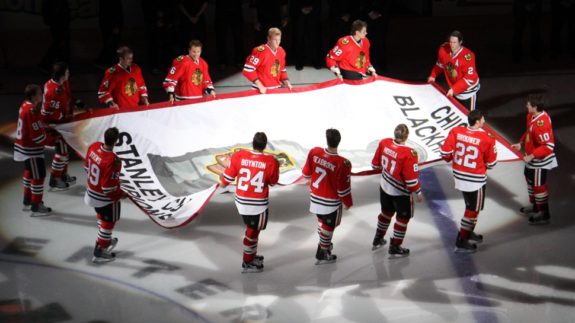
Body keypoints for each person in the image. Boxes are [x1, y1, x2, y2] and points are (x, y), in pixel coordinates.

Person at [221, 132, 280, 273]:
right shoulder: (270, 161)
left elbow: (227, 178)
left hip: (240, 201)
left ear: (252, 143)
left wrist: (222, 184)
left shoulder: (239, 156)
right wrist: (275, 166)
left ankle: (251, 256)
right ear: (265, 146)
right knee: (252, 232)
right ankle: (248, 261)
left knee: (252, 230)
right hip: (257, 205)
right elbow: (273, 182)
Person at [440, 110, 497, 253]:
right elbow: (491, 163)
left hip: (459, 176)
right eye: (483, 118)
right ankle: (462, 240)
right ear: (477, 121)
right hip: (475, 179)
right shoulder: (487, 138)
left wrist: (451, 159)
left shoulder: (456, 131)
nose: (484, 120)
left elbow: (445, 153)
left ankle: (468, 232)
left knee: (470, 205)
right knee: (473, 210)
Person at [370, 124, 423, 257]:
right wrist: (418, 192)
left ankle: (377, 238)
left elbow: (375, 164)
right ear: (407, 136)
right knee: (402, 219)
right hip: (400, 193)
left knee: (386, 213)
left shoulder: (384, 143)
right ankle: (395, 246)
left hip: (384, 187)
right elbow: (411, 181)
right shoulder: (410, 153)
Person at [302, 128, 352, 265]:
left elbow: (306, 174)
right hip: (330, 203)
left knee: (322, 222)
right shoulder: (343, 163)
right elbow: (343, 189)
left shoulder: (315, 152)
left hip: (315, 197)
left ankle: (324, 246)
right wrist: (348, 202)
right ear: (339, 142)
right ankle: (323, 251)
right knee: (329, 226)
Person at [511, 94, 558, 225]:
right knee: (529, 179)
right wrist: (520, 143)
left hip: (539, 161)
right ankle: (536, 206)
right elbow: (528, 132)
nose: (526, 105)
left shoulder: (541, 124)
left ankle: (544, 213)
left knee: (539, 186)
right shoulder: (531, 116)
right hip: (531, 158)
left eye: (528, 104)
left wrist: (532, 156)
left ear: (535, 107)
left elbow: (548, 146)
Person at [84, 127, 124, 263]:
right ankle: (100, 249)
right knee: (109, 223)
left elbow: (86, 168)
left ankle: (104, 239)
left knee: (102, 217)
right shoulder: (113, 160)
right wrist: (121, 194)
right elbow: (108, 188)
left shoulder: (93, 147)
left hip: (90, 193)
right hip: (104, 199)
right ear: (116, 141)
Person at [41, 62, 81, 190]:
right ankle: (55, 179)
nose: (69, 74)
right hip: (56, 125)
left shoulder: (62, 83)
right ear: (62, 75)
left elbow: (68, 97)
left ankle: (63, 175)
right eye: (67, 72)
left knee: (65, 150)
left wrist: (77, 102)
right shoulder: (52, 92)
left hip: (64, 122)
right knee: (62, 152)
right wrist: (54, 127)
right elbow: (47, 114)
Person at [14, 84, 52, 216]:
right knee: (38, 176)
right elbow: (36, 136)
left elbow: (33, 125)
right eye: (39, 93)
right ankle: (36, 204)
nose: (41, 94)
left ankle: (27, 200)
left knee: (29, 173)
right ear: (33, 96)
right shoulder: (32, 110)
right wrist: (50, 140)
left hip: (23, 147)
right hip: (31, 150)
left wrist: (42, 125)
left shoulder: (25, 105)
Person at [428, 30, 480, 111]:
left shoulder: (468, 57)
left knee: (470, 116)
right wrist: (433, 75)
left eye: (454, 42)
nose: (452, 45)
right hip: (454, 90)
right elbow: (440, 64)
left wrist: (454, 89)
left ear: (460, 42)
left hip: (468, 92)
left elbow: (470, 78)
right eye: (450, 42)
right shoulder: (443, 49)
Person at [243, 27, 292, 94]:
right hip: (260, 90)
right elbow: (248, 70)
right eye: (275, 40)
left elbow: (282, 70)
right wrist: (260, 86)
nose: (278, 42)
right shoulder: (260, 51)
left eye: (279, 40)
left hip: (276, 88)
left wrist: (286, 82)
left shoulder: (281, 51)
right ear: (268, 38)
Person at [290, 0, 323, 70]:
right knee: (299, 39)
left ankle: (315, 61)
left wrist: (311, 8)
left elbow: (318, 2)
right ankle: (299, 61)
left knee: (314, 39)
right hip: (299, 15)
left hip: (313, 14)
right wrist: (300, 9)